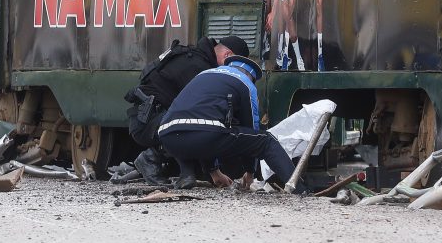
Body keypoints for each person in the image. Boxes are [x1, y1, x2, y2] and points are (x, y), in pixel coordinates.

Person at [157, 43, 306, 193]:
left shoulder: (204, 74)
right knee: (266, 140)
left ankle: (187, 174)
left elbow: (197, 118)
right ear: (251, 76)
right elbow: (251, 128)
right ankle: (300, 190)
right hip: (205, 135)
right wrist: (250, 171)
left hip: (167, 135)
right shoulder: (246, 83)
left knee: (197, 129)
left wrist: (215, 172)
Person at [125, 36, 248, 185]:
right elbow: (204, 120)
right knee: (194, 125)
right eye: (234, 66)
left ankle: (186, 174)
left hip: (155, 119)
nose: (233, 71)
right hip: (146, 122)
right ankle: (149, 159)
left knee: (192, 124)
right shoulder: (197, 67)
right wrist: (214, 171)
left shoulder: (196, 59)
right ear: (227, 55)